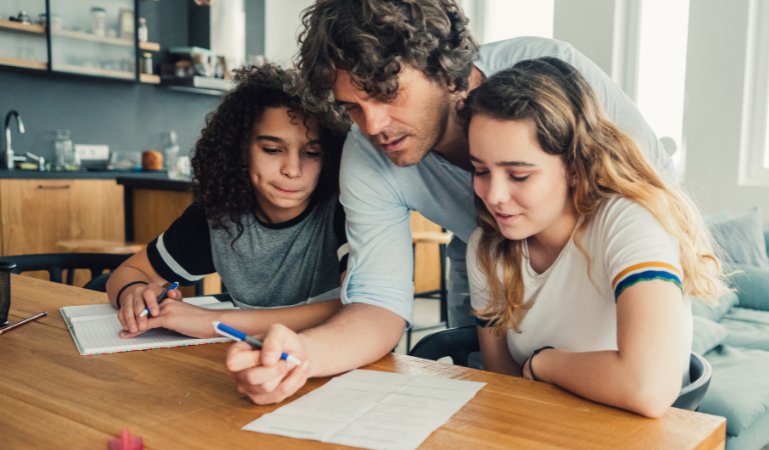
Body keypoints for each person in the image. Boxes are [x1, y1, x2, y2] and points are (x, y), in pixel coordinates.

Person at [225, 0, 677, 404]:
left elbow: (647, 191)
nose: (373, 125)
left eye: (387, 93)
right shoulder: (373, 163)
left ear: (444, 70)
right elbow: (378, 304)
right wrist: (303, 355)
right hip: (496, 261)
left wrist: (561, 355)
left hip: (603, 271)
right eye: (352, 107)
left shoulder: (554, 74)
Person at [462, 58, 727, 417]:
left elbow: (647, 387)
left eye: (519, 176)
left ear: (575, 167)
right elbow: (504, 382)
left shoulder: (630, 223)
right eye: (480, 170)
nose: (493, 195)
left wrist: (545, 364)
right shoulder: (487, 247)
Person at [106, 62, 349, 340]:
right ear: (241, 150)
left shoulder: (344, 209)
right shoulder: (221, 215)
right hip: (256, 366)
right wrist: (136, 293)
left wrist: (216, 322)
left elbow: (360, 308)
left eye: (311, 153)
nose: (292, 169)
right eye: (272, 149)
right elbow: (128, 272)